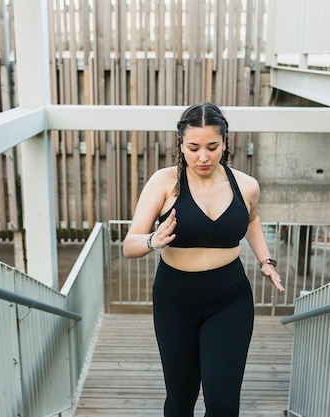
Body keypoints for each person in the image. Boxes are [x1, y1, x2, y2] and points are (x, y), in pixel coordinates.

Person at [123, 102, 284, 417]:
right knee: (180, 400)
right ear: (180, 145)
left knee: (223, 405)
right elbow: (130, 244)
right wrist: (151, 240)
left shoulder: (246, 185)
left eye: (212, 147)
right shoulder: (164, 182)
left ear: (225, 142)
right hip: (175, 300)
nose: (203, 156)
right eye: (193, 147)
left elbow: (251, 220)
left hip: (230, 299)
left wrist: (266, 261)